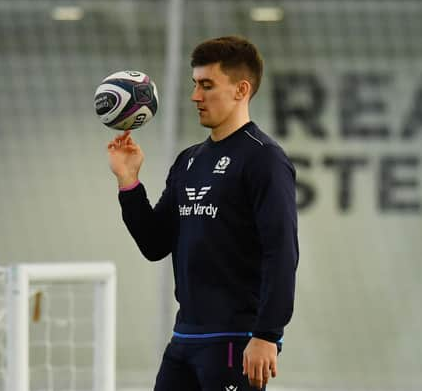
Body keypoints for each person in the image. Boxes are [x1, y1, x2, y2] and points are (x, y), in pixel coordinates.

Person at [107, 36, 299, 390]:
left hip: (235, 341)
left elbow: (282, 253)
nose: (196, 95)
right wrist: (129, 182)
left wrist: (267, 335)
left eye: (207, 85)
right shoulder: (189, 161)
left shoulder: (264, 159)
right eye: (195, 84)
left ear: (241, 89)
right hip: (184, 340)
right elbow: (154, 243)